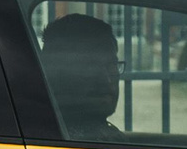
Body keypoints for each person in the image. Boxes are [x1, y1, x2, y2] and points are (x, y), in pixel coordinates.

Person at [37, 13, 126, 141]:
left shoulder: (102, 133)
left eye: (111, 65)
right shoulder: (68, 143)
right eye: (91, 67)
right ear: (58, 75)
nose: (106, 80)